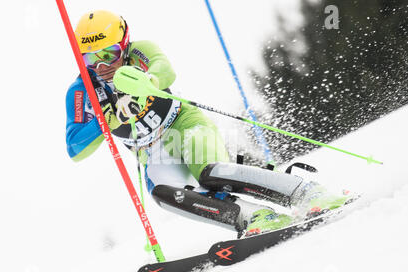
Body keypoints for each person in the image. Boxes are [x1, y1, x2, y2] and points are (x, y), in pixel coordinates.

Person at [65, 10, 352, 238]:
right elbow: (75, 148)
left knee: (210, 172)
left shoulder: (139, 52)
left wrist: (146, 84)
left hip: (182, 124)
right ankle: (253, 217)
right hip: (153, 152)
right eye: (90, 58)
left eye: (109, 54)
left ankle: (305, 192)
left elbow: (165, 70)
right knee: (167, 194)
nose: (101, 66)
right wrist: (106, 120)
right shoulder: (81, 92)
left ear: (124, 44)